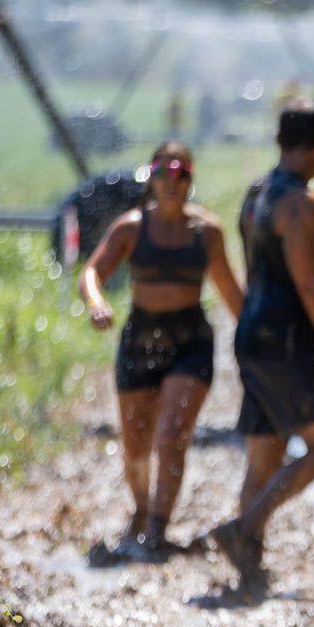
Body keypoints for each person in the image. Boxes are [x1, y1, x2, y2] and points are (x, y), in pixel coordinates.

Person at [212, 102, 314, 593]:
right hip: (285, 338)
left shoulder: (257, 192)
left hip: (252, 333)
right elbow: (309, 284)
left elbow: (257, 268)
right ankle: (244, 528)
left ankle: (249, 568)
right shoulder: (300, 203)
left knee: (266, 452)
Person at [79, 142, 243, 557]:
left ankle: (157, 527)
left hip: (190, 342)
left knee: (171, 436)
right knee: (135, 444)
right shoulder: (131, 228)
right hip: (140, 338)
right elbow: (93, 271)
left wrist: (261, 337)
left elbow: (229, 291)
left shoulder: (207, 232)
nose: (172, 183)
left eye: (181, 174)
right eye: (163, 173)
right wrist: (96, 302)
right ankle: (140, 508)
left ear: (190, 179)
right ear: (150, 177)